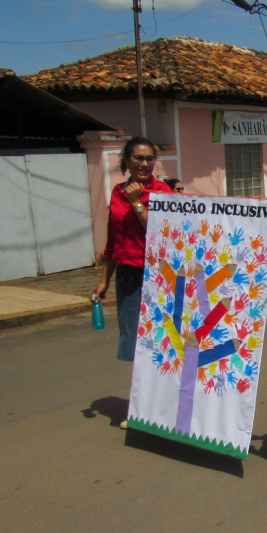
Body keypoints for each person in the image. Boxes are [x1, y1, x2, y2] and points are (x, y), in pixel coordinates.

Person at [91, 137, 174, 429]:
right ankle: (143, 407)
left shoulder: (163, 192)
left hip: (158, 277)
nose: (144, 163)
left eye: (150, 158)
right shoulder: (116, 192)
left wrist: (137, 203)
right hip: (128, 276)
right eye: (138, 158)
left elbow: (160, 234)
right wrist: (104, 280)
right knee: (138, 346)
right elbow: (112, 240)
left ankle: (157, 408)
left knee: (160, 344)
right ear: (126, 160)